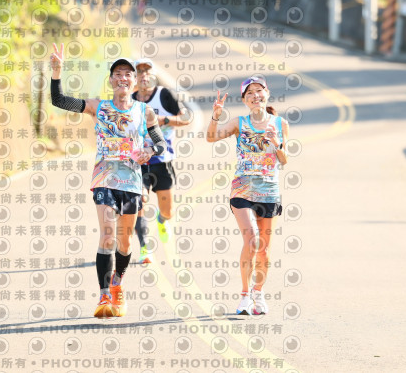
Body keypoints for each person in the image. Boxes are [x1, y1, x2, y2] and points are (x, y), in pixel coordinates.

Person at [49, 43, 167, 318]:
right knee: (107, 235)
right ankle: (103, 295)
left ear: (134, 81)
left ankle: (116, 284)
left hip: (132, 183)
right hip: (104, 179)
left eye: (128, 74)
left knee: (125, 244)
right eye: (118, 74)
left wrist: (150, 151)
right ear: (111, 80)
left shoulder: (145, 112)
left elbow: (160, 143)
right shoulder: (97, 107)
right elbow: (60, 101)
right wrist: (56, 73)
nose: (123, 78)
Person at [205, 76, 289, 315]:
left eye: (259, 91)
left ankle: (258, 293)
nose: (255, 96)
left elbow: (284, 160)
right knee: (252, 239)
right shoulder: (238, 123)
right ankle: (244, 296)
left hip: (269, 190)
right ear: (244, 100)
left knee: (264, 248)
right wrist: (216, 116)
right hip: (242, 188)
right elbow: (211, 137)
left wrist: (276, 143)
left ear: (267, 94)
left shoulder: (280, 124)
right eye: (249, 93)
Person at [131, 58, 192, 263]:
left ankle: (162, 220)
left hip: (162, 160)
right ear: (134, 77)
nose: (143, 75)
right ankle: (145, 247)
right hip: (139, 162)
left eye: (147, 71)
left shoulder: (164, 95)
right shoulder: (130, 100)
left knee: (168, 211)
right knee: (139, 201)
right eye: (139, 71)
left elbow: (186, 118)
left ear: (153, 75)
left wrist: (163, 120)